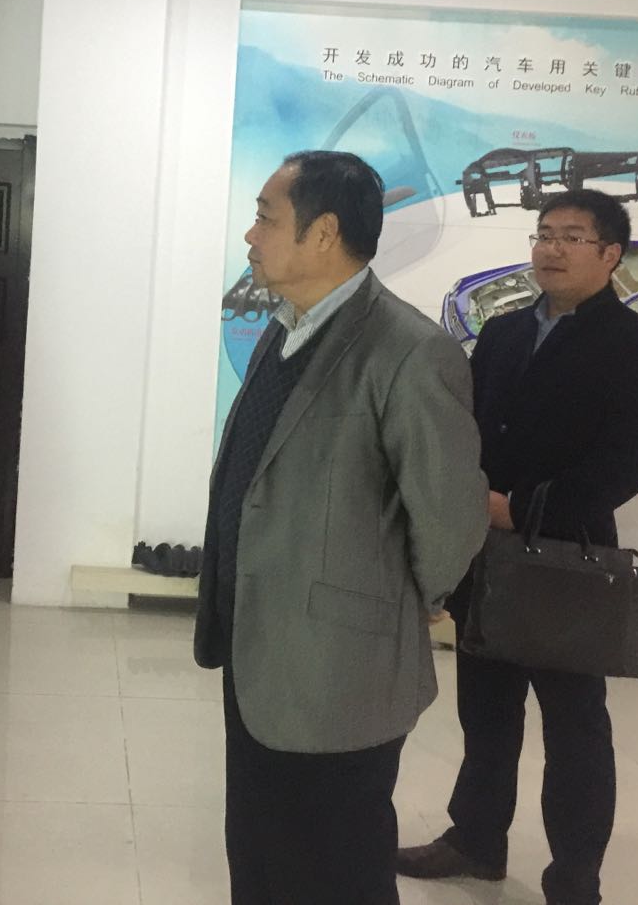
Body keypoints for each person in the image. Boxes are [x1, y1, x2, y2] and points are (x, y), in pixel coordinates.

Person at [195, 150, 489, 905]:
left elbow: (451, 518)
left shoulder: (409, 351)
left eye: (266, 217)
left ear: (323, 232)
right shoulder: (283, 329)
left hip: (341, 667)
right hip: (258, 646)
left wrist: (393, 602)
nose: (251, 236)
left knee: (336, 869)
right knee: (260, 852)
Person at [397, 189, 638, 905]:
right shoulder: (503, 333)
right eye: (544, 234)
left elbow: (626, 465)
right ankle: (476, 840)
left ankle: (575, 878)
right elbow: (467, 431)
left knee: (575, 725)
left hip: (567, 558)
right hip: (486, 553)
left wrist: (518, 508)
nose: (550, 248)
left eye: (571, 237)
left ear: (610, 255)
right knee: (486, 711)